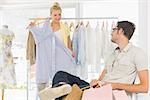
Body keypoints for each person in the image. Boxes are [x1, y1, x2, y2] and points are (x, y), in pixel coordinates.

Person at [38, 21, 149, 100]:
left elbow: (144, 87)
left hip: (112, 92)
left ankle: (59, 90)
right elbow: (101, 78)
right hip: (99, 88)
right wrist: (96, 82)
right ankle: (59, 88)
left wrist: (115, 85)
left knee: (67, 95)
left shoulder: (137, 53)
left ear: (120, 31)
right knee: (60, 74)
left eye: (114, 29)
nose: (111, 32)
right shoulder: (112, 54)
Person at [28, 2, 76, 98]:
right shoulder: (46, 28)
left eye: (59, 14)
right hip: (48, 57)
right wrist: (33, 27)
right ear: (50, 15)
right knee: (46, 86)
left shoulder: (64, 27)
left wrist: (71, 53)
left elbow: (68, 43)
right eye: (55, 15)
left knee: (59, 83)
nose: (58, 17)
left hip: (61, 58)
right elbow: (39, 36)